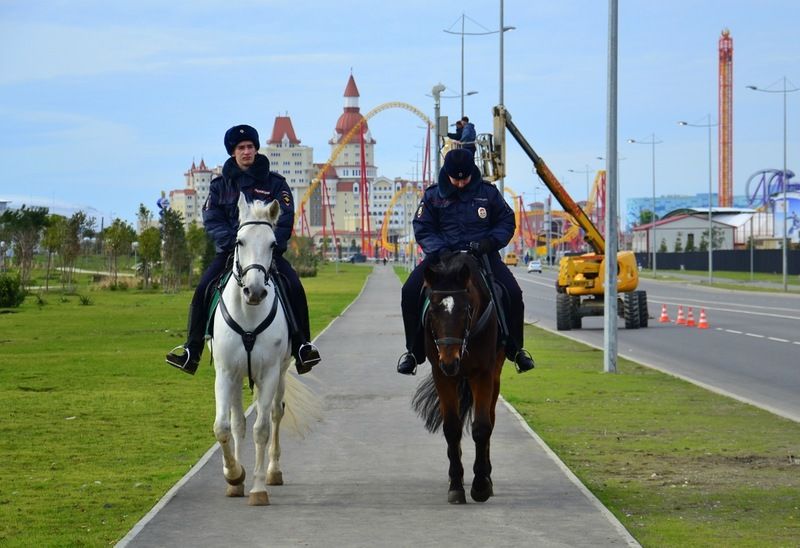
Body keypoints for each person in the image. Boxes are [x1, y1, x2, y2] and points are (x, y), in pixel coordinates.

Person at [165, 124, 321, 375]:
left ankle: (303, 346)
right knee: (203, 290)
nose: (246, 151)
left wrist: (268, 245)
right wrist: (233, 244)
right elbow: (212, 218)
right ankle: (192, 350)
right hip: (230, 254)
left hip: (267, 255)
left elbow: (285, 219)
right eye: (241, 148)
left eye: (250, 146)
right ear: (232, 152)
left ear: (256, 149)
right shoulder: (219, 186)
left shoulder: (276, 184)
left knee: (293, 285)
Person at [397, 148, 535, 375]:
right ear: (447, 174)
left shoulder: (488, 193)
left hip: (482, 257)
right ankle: (413, 352)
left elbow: (506, 221)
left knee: (513, 293)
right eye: (455, 179)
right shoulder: (433, 195)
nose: (460, 184)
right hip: (441, 259)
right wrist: (440, 249)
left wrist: (488, 243)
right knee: (410, 292)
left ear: (472, 173)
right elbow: (422, 227)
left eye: (465, 179)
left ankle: (516, 349)